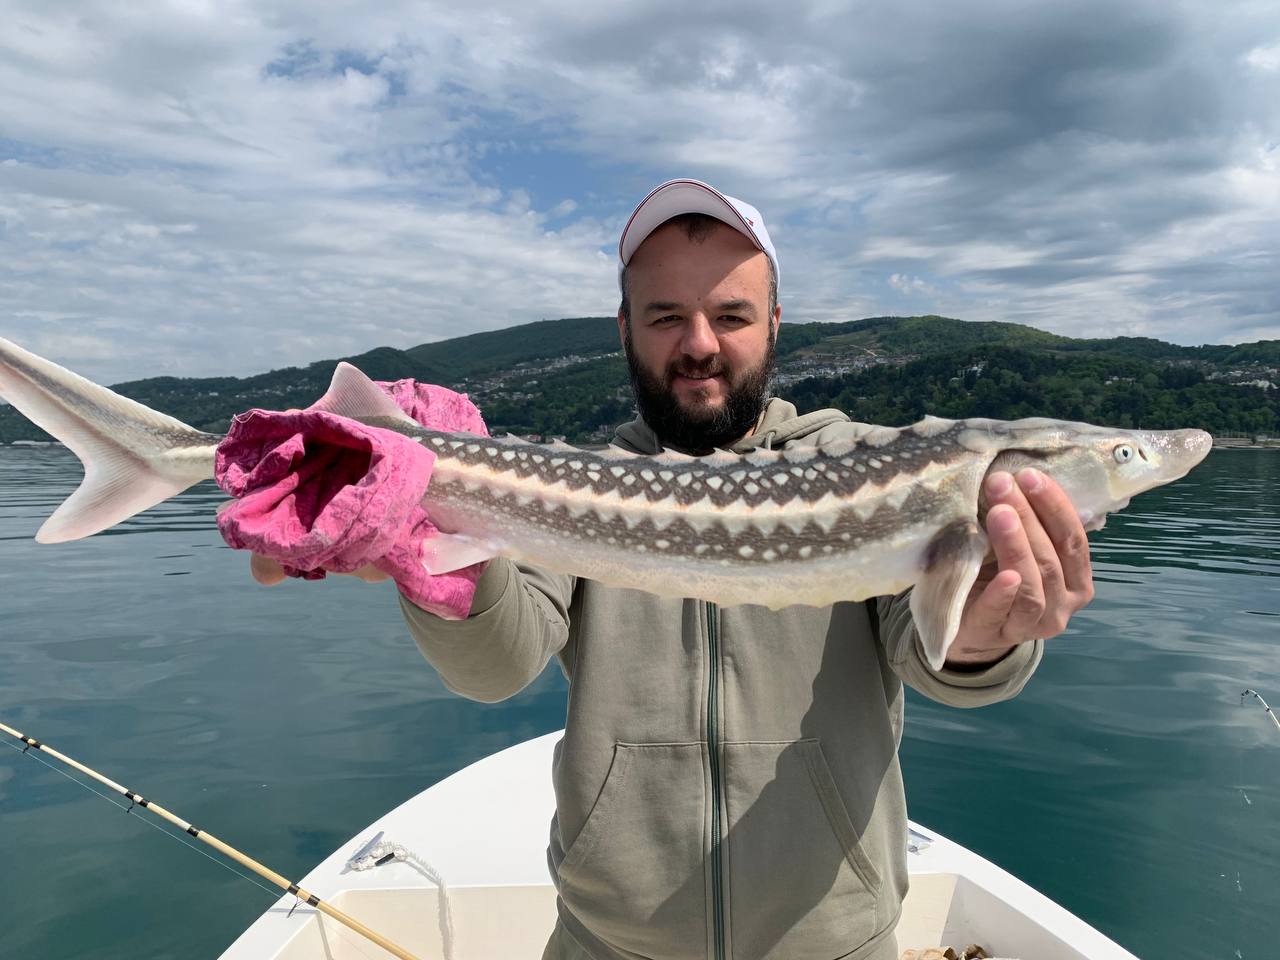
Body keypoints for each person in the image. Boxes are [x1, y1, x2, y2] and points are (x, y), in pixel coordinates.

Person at [251, 179, 1095, 960]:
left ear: (774, 322)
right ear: (624, 330)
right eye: (664, 317)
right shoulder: (560, 487)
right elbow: (495, 669)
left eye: (731, 315)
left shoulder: (877, 469)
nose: (698, 345)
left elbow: (936, 660)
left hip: (835, 940)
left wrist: (986, 634)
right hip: (606, 942)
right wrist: (423, 553)